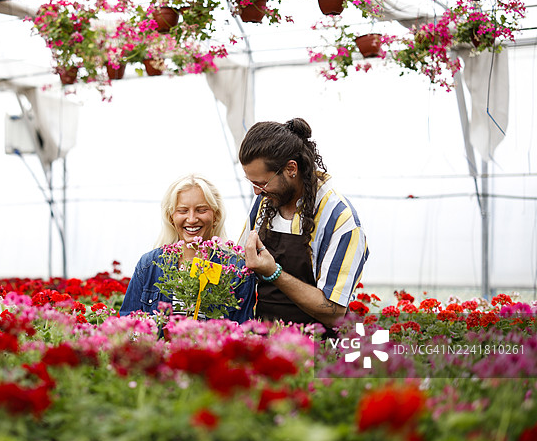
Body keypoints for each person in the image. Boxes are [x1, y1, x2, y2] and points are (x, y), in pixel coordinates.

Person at [238, 118, 368, 332]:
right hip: (265, 342)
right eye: (252, 183)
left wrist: (274, 272)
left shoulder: (340, 219)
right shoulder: (264, 202)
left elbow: (334, 312)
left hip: (316, 347)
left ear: (291, 168)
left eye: (262, 183)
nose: (257, 191)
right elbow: (238, 261)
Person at [119, 174, 255, 323]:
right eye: (183, 211)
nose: (191, 219)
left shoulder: (236, 269)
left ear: (216, 215)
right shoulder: (149, 265)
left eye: (201, 210)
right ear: (171, 217)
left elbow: (244, 330)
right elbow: (127, 323)